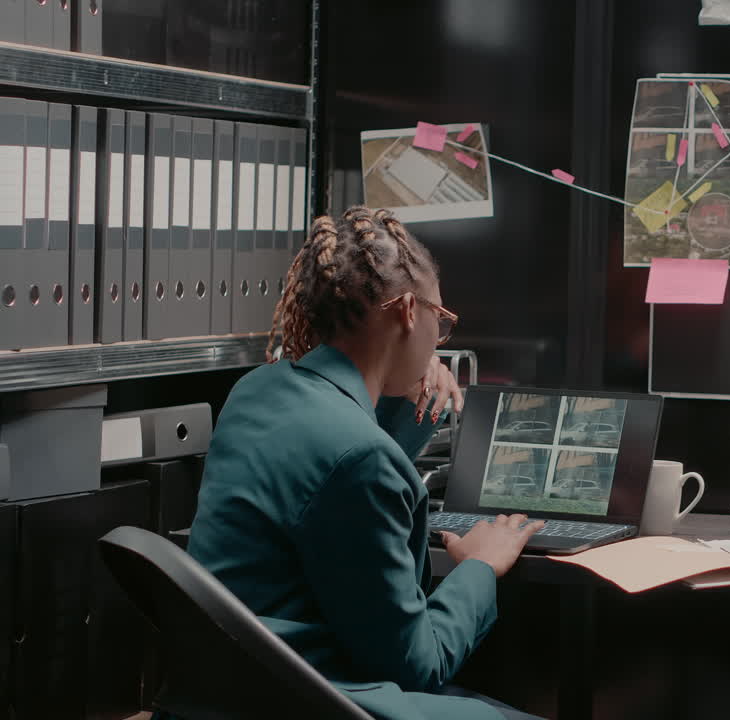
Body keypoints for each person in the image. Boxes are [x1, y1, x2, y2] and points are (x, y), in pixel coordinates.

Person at [182, 206, 544, 720]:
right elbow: (420, 663)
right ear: (408, 314)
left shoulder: (255, 391)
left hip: (229, 690)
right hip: (313, 697)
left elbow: (340, 463)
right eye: (439, 321)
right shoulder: (359, 457)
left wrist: (407, 386)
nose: (440, 341)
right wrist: (480, 567)